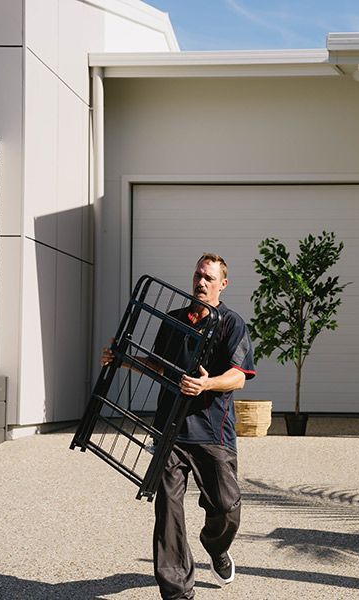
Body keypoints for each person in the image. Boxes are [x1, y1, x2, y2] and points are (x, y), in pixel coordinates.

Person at [101, 253, 256, 600]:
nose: (201, 282)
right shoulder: (173, 320)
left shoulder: (232, 323)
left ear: (223, 284)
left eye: (209, 278)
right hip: (170, 429)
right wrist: (122, 359)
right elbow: (159, 366)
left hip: (212, 432)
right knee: (168, 512)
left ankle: (215, 547)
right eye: (198, 275)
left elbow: (238, 377)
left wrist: (207, 384)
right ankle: (176, 592)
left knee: (226, 507)